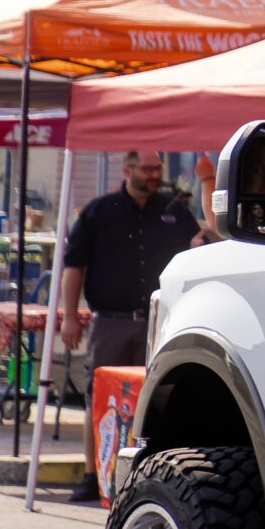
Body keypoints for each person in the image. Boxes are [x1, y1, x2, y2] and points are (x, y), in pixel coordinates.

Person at [55, 152, 202, 502]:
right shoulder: (98, 212)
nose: (154, 175)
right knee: (100, 399)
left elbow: (198, 247)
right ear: (127, 170)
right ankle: (93, 475)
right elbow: (74, 267)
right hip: (111, 323)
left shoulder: (174, 211)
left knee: (159, 400)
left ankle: (150, 475)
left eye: (157, 169)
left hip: (160, 322)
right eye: (147, 169)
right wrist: (70, 315)